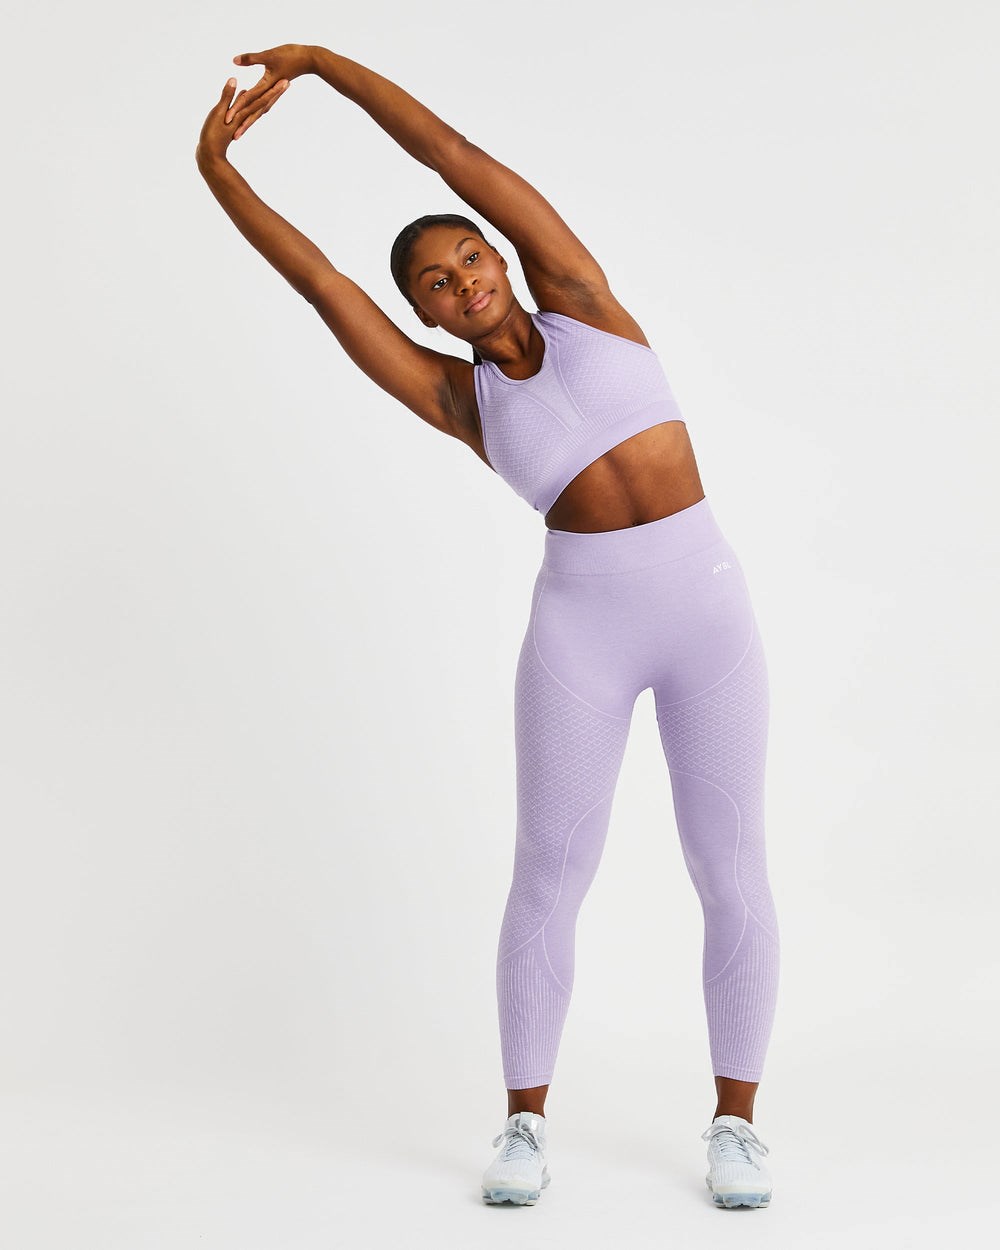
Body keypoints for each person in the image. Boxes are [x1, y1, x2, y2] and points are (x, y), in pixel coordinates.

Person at [196, 43, 780, 1211]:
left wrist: (320, 65)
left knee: (728, 863)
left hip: (704, 607)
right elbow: (322, 285)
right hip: (581, 627)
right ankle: (522, 1125)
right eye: (432, 281)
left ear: (500, 256)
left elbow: (448, 152)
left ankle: (736, 1125)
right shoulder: (457, 398)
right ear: (421, 309)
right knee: (548, 871)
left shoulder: (582, 299)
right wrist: (218, 170)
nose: (459, 278)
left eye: (468, 254)